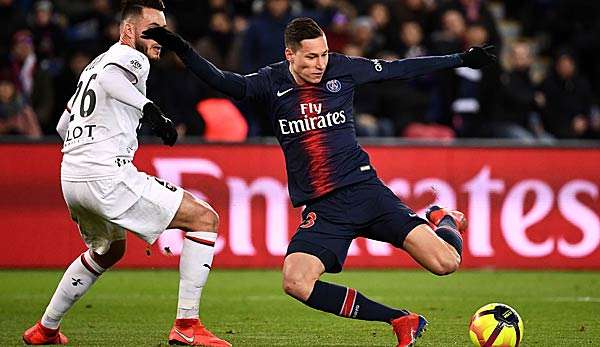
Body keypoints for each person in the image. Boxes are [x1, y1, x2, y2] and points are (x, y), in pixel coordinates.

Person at [142, 17, 495, 347]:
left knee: (446, 263)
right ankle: (401, 320)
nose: (320, 63)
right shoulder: (271, 82)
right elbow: (222, 80)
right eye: (311, 57)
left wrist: (461, 58)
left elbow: (398, 69)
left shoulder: (343, 68)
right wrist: (181, 47)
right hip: (325, 209)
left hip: (366, 193)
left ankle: (444, 218)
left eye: (324, 54)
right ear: (290, 55)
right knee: (295, 281)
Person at [22, 1, 230, 346]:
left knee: (108, 251)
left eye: (164, 29)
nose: (160, 36)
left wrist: (90, 147)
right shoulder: (128, 58)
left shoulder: (93, 64)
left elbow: (63, 125)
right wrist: (149, 109)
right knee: (204, 219)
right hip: (105, 175)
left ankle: (45, 329)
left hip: (72, 175)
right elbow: (111, 80)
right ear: (129, 29)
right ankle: (187, 325)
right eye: (152, 27)